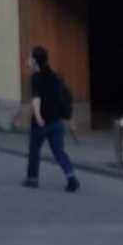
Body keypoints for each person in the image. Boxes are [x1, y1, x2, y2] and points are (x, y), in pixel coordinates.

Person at [23, 46, 79, 192]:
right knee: (59, 151)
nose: (27, 60)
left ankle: (32, 179)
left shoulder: (36, 77)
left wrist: (38, 116)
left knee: (34, 150)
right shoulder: (55, 76)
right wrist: (68, 119)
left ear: (35, 61)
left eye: (29, 57)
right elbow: (62, 98)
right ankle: (71, 178)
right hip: (56, 122)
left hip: (41, 122)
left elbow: (36, 99)